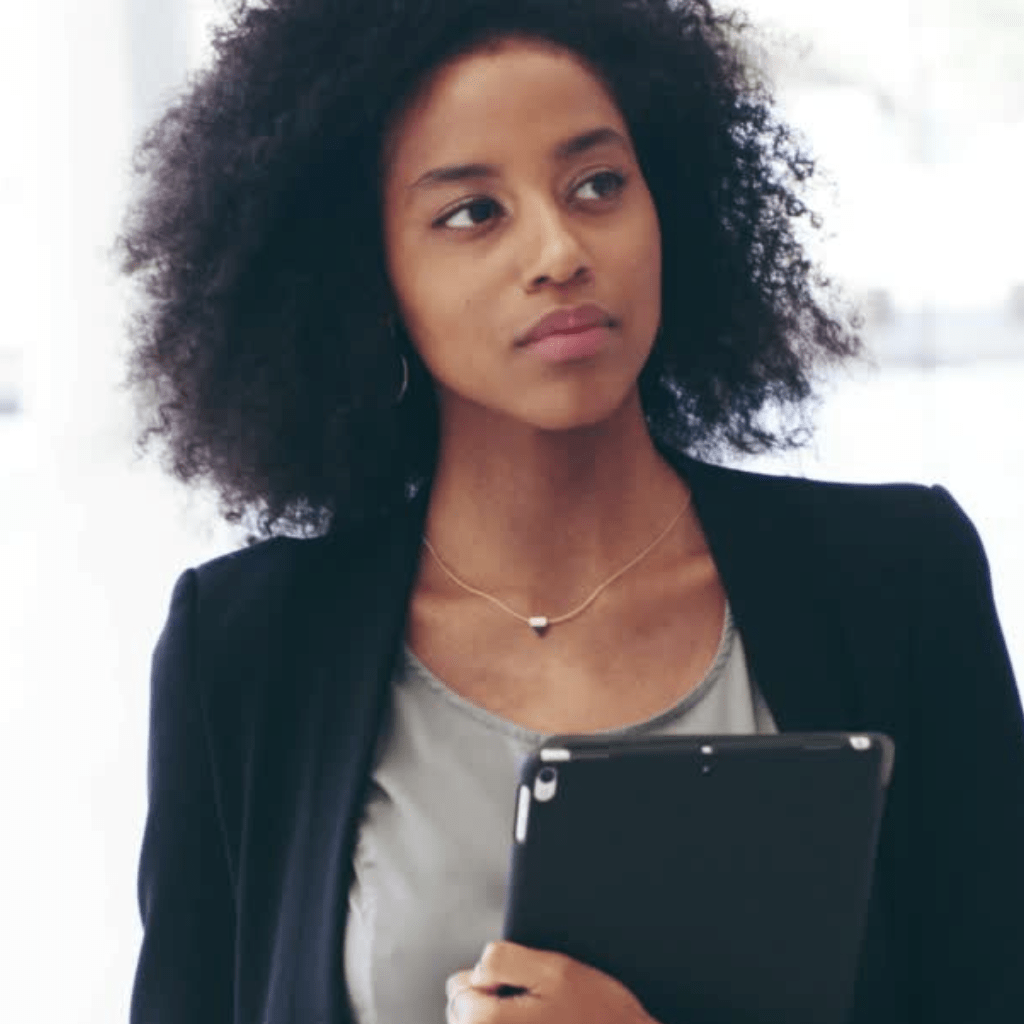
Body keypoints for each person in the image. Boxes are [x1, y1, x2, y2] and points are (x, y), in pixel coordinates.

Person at [119, 1, 1024, 1022]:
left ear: (667, 204)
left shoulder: (897, 582)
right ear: (368, 279)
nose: (558, 249)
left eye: (597, 185)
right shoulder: (245, 650)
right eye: (473, 212)